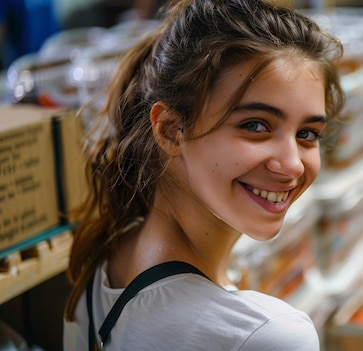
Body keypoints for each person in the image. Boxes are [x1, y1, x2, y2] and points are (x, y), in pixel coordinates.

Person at [62, 0, 345, 350]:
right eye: (255, 125)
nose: (293, 165)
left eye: (307, 134)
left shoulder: (107, 256)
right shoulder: (266, 335)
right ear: (169, 130)